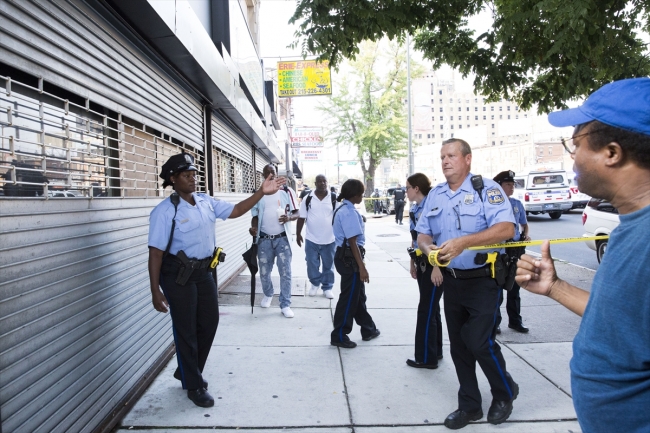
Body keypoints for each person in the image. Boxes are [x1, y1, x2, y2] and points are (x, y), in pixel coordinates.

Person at [516, 77, 650, 433]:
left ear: (612, 152)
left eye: (576, 142)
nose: (572, 155)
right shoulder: (630, 229)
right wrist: (555, 287)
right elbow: (620, 319)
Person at [148, 152, 285, 408]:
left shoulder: (205, 202)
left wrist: (261, 192)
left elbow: (235, 210)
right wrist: (155, 290)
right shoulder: (164, 212)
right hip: (177, 277)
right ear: (173, 179)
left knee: (209, 323)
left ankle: (188, 371)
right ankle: (193, 384)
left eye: (194, 175)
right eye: (186, 175)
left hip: (203, 272)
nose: (193, 179)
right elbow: (155, 253)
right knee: (186, 329)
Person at [416, 138, 518, 430]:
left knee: (478, 340)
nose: (446, 161)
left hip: (484, 279)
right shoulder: (435, 195)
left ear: (467, 159)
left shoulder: (486, 189)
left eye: (451, 155)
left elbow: (506, 229)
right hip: (452, 281)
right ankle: (470, 407)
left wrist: (464, 243)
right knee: (459, 346)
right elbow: (422, 234)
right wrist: (428, 250)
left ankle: (504, 393)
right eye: (442, 156)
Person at [330, 179, 380, 348]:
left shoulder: (343, 208)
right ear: (354, 194)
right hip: (350, 258)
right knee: (349, 298)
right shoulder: (349, 212)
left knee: (357, 296)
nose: (362, 195)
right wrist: (362, 267)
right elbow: (353, 242)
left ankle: (368, 328)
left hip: (346, 256)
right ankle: (339, 334)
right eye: (361, 193)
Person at [405, 173, 444, 369]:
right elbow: (416, 238)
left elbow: (438, 238)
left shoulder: (432, 206)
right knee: (432, 308)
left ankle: (426, 358)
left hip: (434, 263)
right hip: (422, 261)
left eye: (407, 188)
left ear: (416, 188)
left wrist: (436, 267)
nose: (406, 192)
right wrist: (413, 262)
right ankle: (435, 351)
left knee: (426, 310)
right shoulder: (415, 209)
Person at [250, 164, 299, 318]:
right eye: (267, 172)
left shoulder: (286, 191)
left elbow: (297, 212)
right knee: (264, 272)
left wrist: (289, 218)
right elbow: (255, 215)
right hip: (264, 239)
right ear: (263, 175)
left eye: (273, 171)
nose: (271, 174)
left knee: (286, 273)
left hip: (282, 239)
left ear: (277, 174)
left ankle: (285, 304)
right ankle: (268, 294)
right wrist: (254, 228)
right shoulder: (259, 193)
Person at [493, 170, 530, 334]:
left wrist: (525, 235)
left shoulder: (516, 204)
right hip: (501, 249)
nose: (511, 187)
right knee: (499, 286)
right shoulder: (493, 205)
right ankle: (496, 322)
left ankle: (515, 321)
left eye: (512, 185)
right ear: (499, 186)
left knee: (515, 287)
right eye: (508, 184)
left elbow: (524, 224)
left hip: (516, 248)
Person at [296, 174, 337, 299]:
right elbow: (302, 216)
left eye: (324, 181)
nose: (322, 183)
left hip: (329, 239)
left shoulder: (333, 198)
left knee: (328, 265)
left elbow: (339, 217)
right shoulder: (308, 198)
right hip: (311, 239)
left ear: (327, 182)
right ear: (315, 183)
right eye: (319, 181)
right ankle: (314, 284)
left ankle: (327, 287)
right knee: (311, 263)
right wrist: (298, 234)